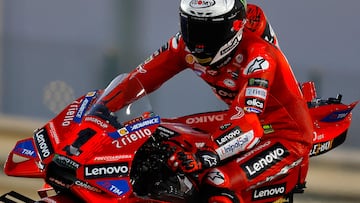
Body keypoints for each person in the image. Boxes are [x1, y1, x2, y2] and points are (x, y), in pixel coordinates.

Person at [102, 0, 313, 202]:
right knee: (156, 134)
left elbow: (250, 124)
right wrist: (101, 110)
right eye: (191, 27)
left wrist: (208, 154)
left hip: (283, 134)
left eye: (210, 31)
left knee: (217, 181)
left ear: (235, 26)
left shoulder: (260, 57)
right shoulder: (183, 45)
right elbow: (138, 80)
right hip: (241, 117)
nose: (198, 43)